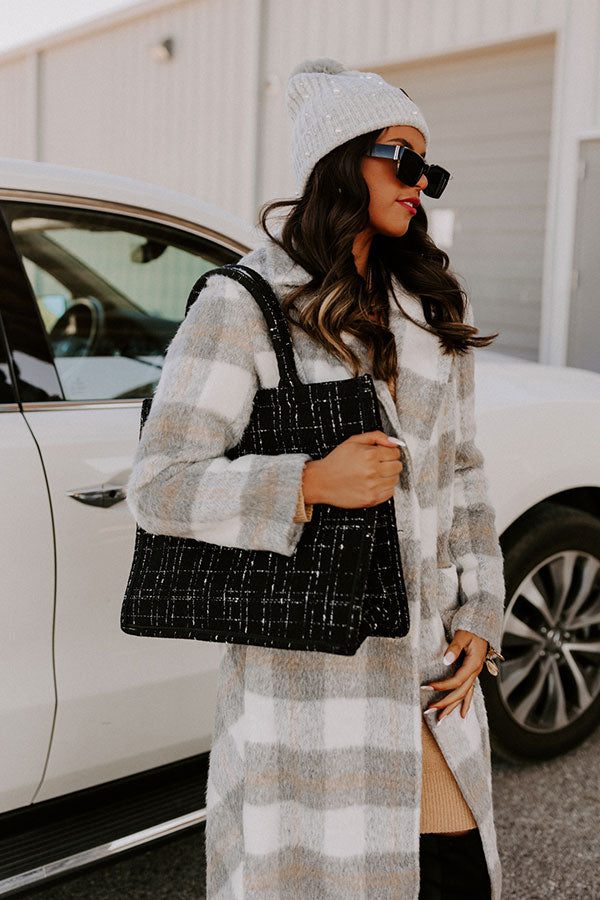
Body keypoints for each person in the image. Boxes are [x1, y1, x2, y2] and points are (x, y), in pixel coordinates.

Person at [126, 57, 505, 899]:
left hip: (428, 666)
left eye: (429, 168)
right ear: (339, 162)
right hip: (306, 686)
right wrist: (306, 483)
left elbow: (463, 468)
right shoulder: (244, 303)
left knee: (454, 875)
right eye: (402, 159)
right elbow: (159, 485)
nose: (421, 182)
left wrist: (482, 611)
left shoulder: (432, 306)